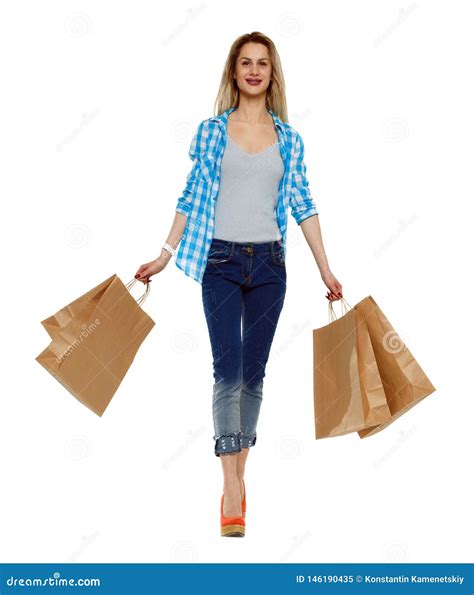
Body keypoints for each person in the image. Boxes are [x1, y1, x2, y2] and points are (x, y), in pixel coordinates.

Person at [135, 31, 343, 537]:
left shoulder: (289, 139)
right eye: (245, 63)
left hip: (271, 266)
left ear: (272, 75)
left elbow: (304, 205)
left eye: (262, 64)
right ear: (234, 72)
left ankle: (236, 477)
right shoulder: (211, 133)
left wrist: (326, 269)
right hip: (221, 262)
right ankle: (232, 486)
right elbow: (189, 197)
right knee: (227, 370)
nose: (254, 71)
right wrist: (163, 255)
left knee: (254, 372)